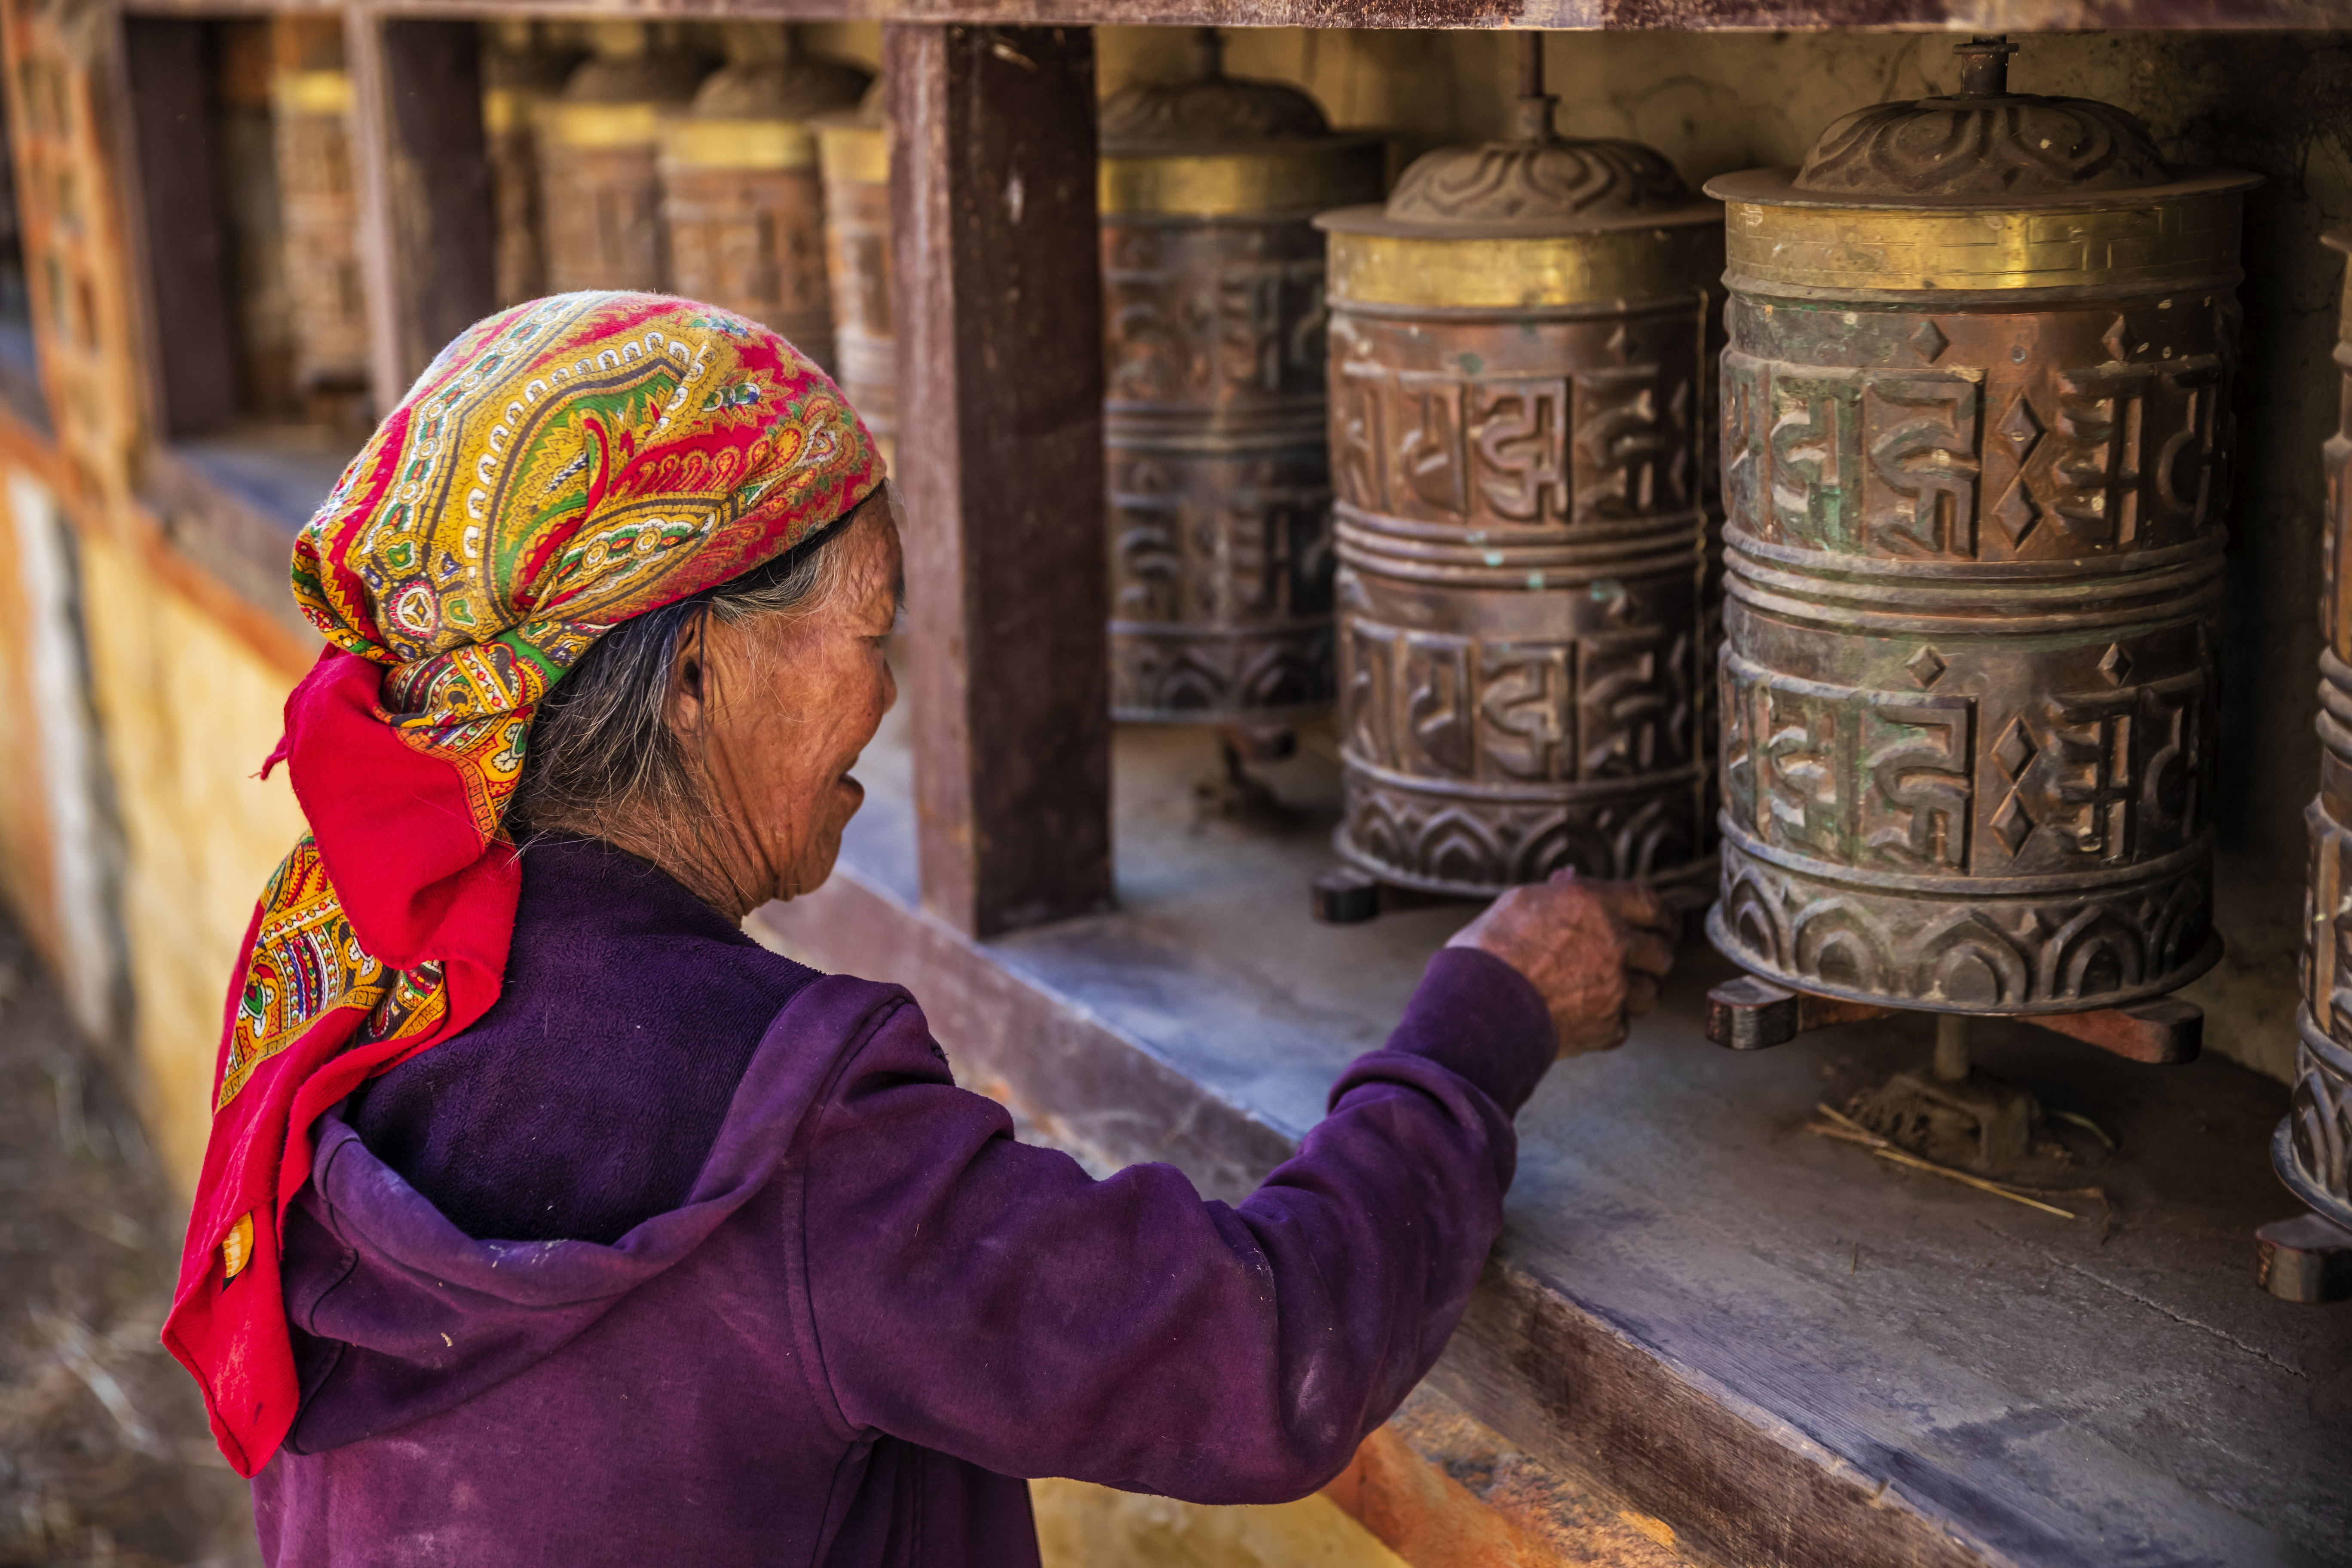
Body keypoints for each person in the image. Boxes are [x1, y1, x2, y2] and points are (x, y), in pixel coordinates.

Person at [165, 293, 1674, 1567]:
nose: (884, 700)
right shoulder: (792, 1134)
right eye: (872, 633)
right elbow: (1269, 1358)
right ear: (693, 674)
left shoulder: (364, 998)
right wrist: (1487, 1018)